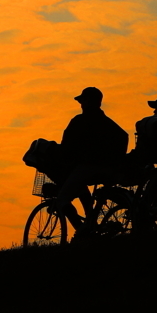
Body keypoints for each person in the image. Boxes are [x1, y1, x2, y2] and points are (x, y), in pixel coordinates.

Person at [50, 87, 129, 232]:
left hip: (86, 168)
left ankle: (81, 230)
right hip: (109, 170)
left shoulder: (79, 121)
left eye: (82, 101)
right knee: (82, 187)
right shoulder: (108, 123)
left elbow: (66, 146)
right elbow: (124, 136)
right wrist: (117, 161)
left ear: (87, 101)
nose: (80, 104)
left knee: (62, 199)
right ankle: (90, 223)